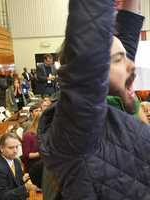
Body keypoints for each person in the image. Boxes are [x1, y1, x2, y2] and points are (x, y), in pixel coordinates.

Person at [38, 0, 150, 199]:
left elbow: (128, 33)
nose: (131, 65)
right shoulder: (77, 132)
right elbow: (89, 42)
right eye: (118, 59)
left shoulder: (113, 99)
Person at [0, 132, 29, 200]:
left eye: (17, 147)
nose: (15, 151)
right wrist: (26, 188)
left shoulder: (16, 161)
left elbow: (17, 184)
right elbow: (2, 197)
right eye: (11, 148)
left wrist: (24, 181)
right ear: (1, 148)